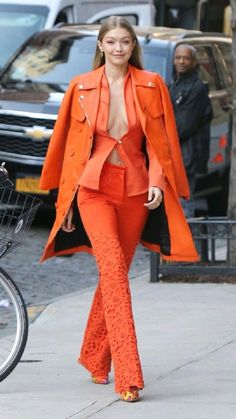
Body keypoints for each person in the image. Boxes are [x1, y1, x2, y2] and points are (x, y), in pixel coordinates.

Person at [39, 17, 199, 402]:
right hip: (93, 191)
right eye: (111, 41)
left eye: (125, 42)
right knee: (112, 271)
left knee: (115, 277)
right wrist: (67, 201)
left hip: (135, 193)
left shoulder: (150, 85)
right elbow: (66, 150)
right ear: (101, 45)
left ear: (132, 46)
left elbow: (159, 144)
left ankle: (94, 356)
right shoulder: (79, 87)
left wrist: (158, 184)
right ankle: (127, 374)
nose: (118, 48)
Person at [169, 44, 213, 218]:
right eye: (178, 57)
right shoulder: (174, 85)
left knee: (184, 201)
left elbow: (185, 125)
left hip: (187, 155)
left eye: (186, 58)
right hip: (175, 154)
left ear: (194, 62)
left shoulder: (198, 88)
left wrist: (161, 138)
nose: (181, 61)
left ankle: (186, 243)